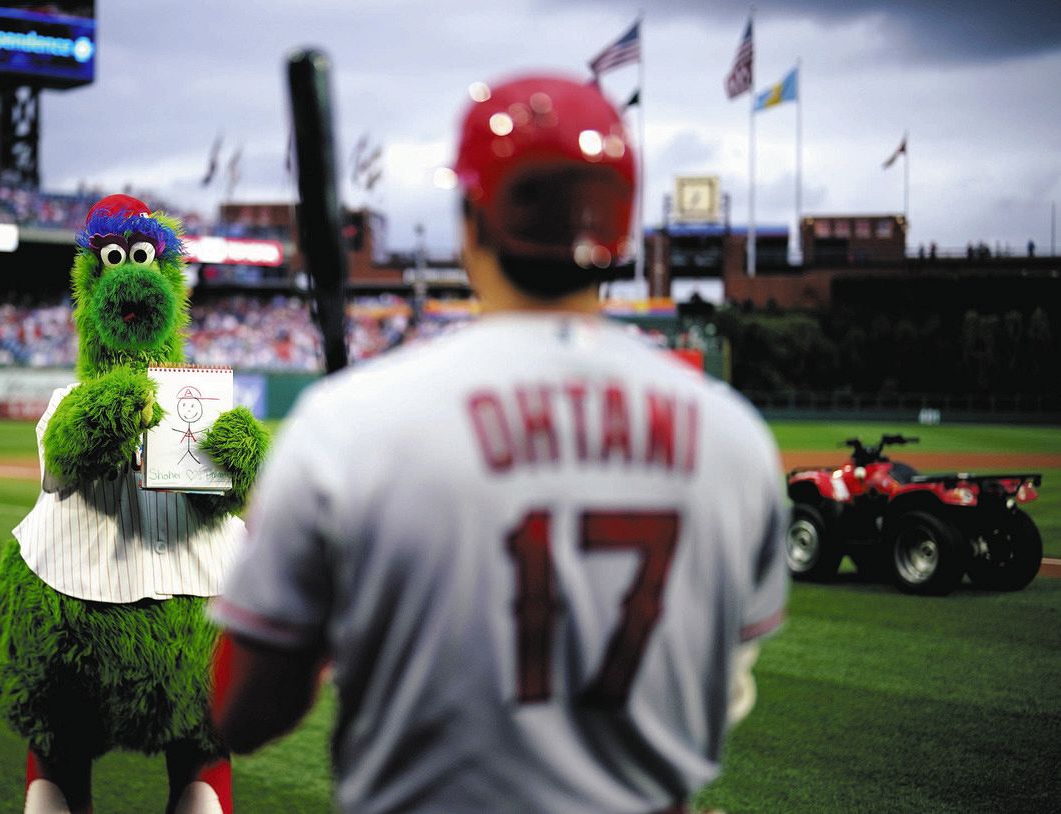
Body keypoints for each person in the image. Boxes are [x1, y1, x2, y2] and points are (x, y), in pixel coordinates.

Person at [209, 74, 788, 814]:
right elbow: (722, 683)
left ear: (470, 217)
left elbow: (240, 714)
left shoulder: (346, 426)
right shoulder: (733, 436)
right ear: (617, 231)